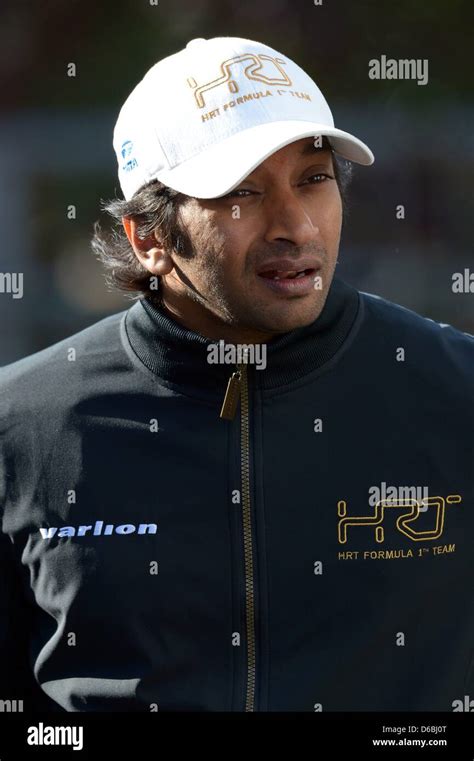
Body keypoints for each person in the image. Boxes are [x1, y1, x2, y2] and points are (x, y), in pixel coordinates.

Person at [0, 36, 472, 713]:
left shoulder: (458, 393)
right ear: (149, 237)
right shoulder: (21, 428)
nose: (296, 224)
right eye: (242, 191)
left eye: (314, 178)